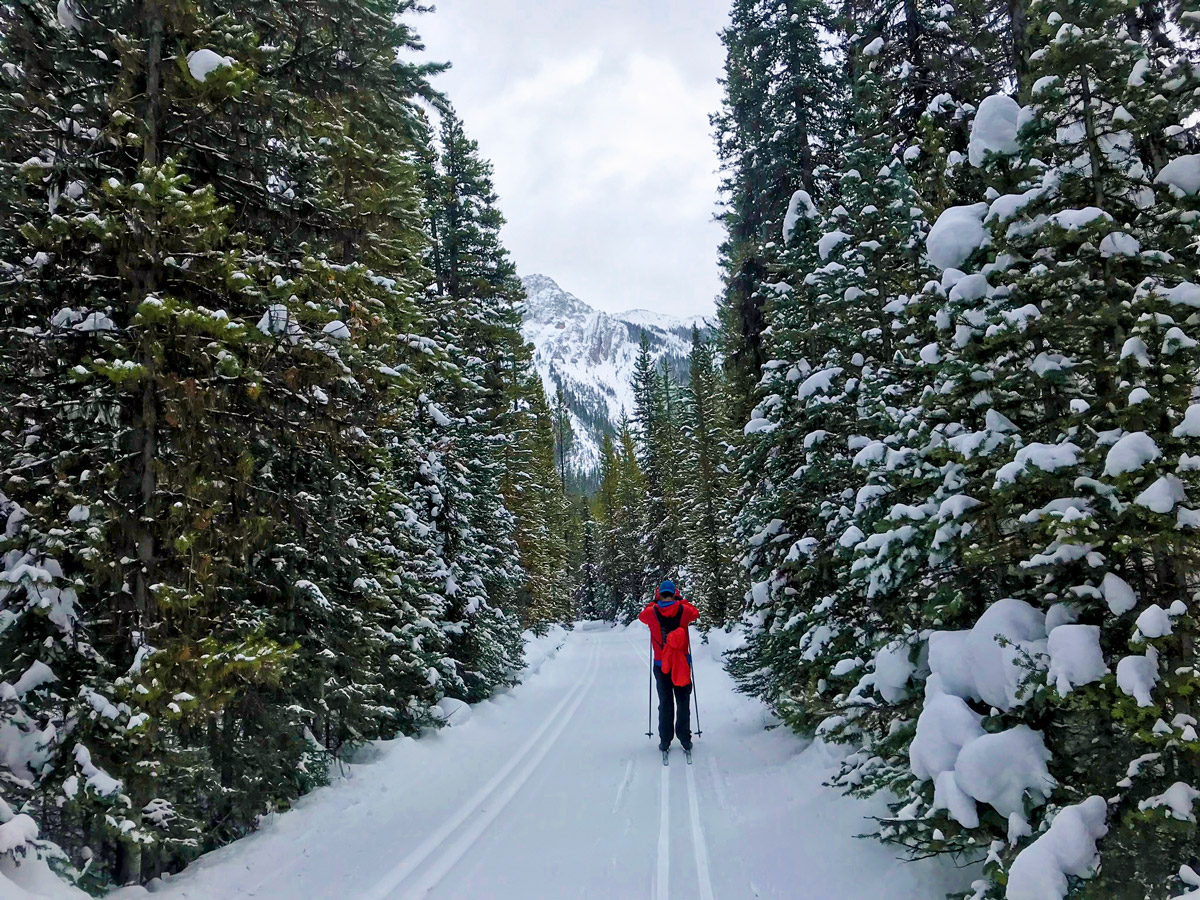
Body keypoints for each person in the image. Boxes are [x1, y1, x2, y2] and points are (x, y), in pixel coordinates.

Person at [638, 579, 699, 754]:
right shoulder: (684, 610)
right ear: (674, 593)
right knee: (683, 701)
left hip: (661, 665)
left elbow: (642, 616)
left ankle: (665, 741)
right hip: (682, 665)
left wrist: (654, 602)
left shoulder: (651, 612)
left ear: (659, 594)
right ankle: (685, 740)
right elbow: (695, 613)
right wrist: (681, 600)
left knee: (665, 702)